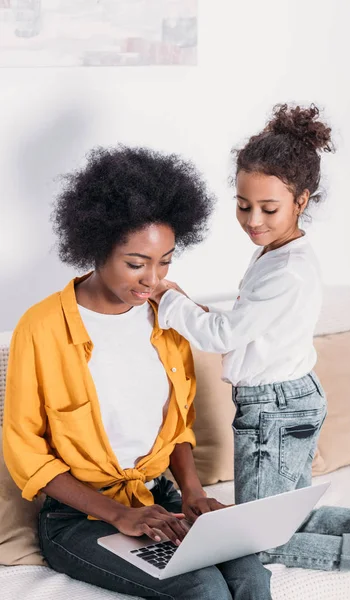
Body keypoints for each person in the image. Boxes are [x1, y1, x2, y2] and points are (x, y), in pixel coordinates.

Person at [3, 146, 272, 600]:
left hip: (159, 499)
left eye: (165, 260)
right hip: (78, 519)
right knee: (201, 588)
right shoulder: (42, 327)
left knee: (250, 573)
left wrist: (191, 492)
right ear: (96, 246)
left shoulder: (167, 314)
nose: (152, 279)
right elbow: (27, 454)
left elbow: (178, 426)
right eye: (136, 263)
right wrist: (118, 514)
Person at [151, 105, 350, 579]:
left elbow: (221, 335)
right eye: (243, 205)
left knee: (259, 540)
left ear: (301, 200)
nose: (253, 220)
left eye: (269, 209)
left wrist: (168, 298)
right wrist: (188, 303)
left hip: (274, 409)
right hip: (289, 400)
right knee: (283, 517)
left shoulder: (285, 270)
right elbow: (246, 326)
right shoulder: (280, 254)